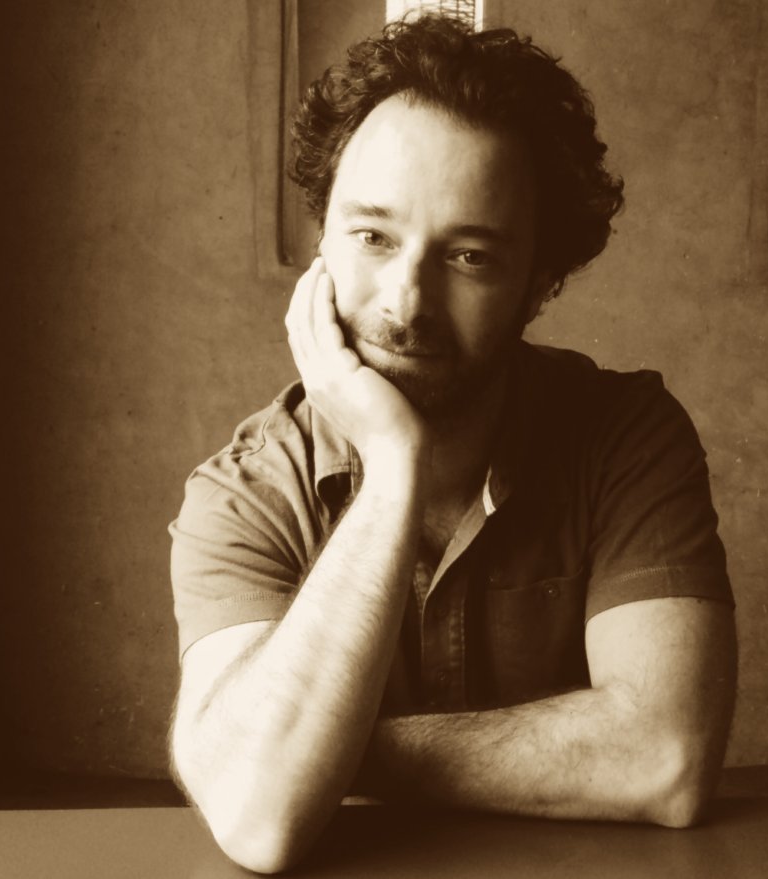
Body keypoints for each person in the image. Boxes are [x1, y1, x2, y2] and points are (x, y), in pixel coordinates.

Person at [168, 14, 736, 874]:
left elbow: (666, 759)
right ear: (321, 244)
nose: (406, 302)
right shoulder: (244, 493)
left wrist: (322, 750)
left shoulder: (628, 436)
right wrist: (395, 469)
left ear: (539, 283)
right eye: (372, 236)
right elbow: (259, 820)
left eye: (469, 255)